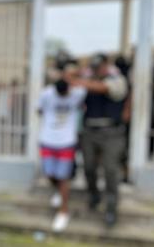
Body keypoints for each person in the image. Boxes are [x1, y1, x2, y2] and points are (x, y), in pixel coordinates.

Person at [69, 53, 128, 227]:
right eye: (94, 67)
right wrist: (80, 71)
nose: (97, 70)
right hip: (89, 131)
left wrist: (81, 80)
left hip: (112, 132)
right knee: (88, 167)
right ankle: (94, 195)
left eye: (99, 66)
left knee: (110, 171)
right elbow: (65, 78)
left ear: (106, 66)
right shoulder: (87, 78)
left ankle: (111, 208)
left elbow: (103, 88)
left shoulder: (117, 79)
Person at [38, 79, 87, 232]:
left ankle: (63, 212)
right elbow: (39, 110)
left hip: (67, 142)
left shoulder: (77, 93)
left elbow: (84, 86)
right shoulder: (46, 94)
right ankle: (59, 192)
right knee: (49, 173)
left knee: (64, 177)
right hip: (48, 140)